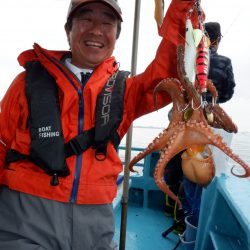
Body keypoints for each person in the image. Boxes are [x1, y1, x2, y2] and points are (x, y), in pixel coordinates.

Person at [0, 0, 201, 249]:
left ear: (116, 36)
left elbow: (169, 74)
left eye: (107, 23)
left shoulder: (126, 91)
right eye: (86, 19)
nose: (96, 30)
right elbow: (2, 144)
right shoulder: (26, 83)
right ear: (68, 30)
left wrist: (184, 8)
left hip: (95, 225)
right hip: (25, 219)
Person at [205, 22, 236, 103]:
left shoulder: (190, 59)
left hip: (187, 108)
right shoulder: (225, 62)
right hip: (212, 111)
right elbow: (227, 94)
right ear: (218, 39)